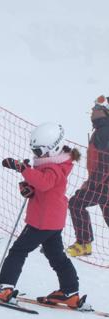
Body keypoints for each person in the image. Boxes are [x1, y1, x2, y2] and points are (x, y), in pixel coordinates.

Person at [0, 123, 85, 309]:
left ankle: (5, 287)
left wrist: (22, 168)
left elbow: (44, 183)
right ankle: (70, 291)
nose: (36, 154)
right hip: (52, 221)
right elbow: (41, 187)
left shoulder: (54, 168)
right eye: (34, 150)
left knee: (18, 251)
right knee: (56, 257)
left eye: (39, 151)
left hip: (42, 221)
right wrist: (28, 188)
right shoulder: (54, 164)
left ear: (54, 148)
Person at [67, 95, 109, 257]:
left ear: (104, 112)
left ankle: (84, 244)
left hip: (102, 184)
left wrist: (91, 185)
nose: (92, 112)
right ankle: (84, 244)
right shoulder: (102, 130)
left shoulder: (104, 132)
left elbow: (104, 165)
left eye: (96, 109)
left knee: (76, 204)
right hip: (103, 184)